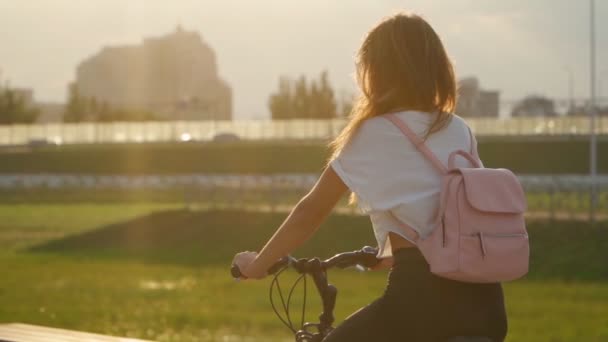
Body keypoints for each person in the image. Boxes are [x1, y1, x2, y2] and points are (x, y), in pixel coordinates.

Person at [232, 12, 508, 342]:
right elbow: (445, 208)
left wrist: (259, 264)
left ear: (376, 72)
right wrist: (389, 254)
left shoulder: (373, 132)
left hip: (420, 303)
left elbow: (312, 210)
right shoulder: (458, 128)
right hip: (486, 304)